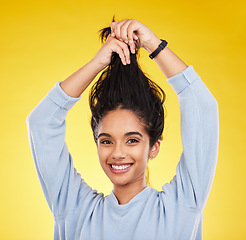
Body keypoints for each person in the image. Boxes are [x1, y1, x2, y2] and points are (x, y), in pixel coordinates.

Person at [26, 18, 219, 240]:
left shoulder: (182, 207)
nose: (117, 153)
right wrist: (97, 63)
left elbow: (202, 105)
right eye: (106, 141)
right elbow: (41, 122)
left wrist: (153, 45)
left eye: (132, 140)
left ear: (154, 147)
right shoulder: (75, 210)